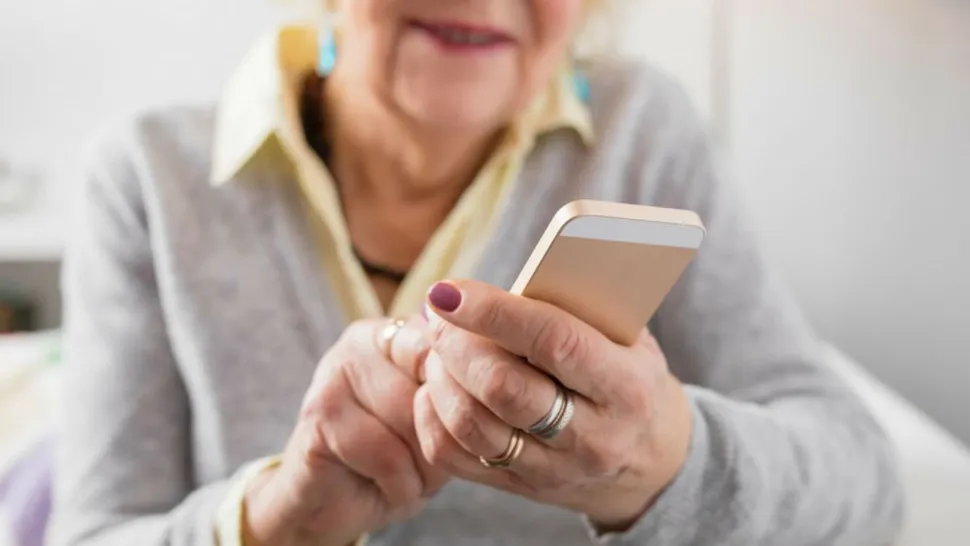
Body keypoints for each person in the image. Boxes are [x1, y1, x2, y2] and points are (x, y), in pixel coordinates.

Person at [49, 1, 905, 545]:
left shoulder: (641, 131)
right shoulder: (149, 176)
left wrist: (663, 462)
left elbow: (863, 484)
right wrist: (279, 524)